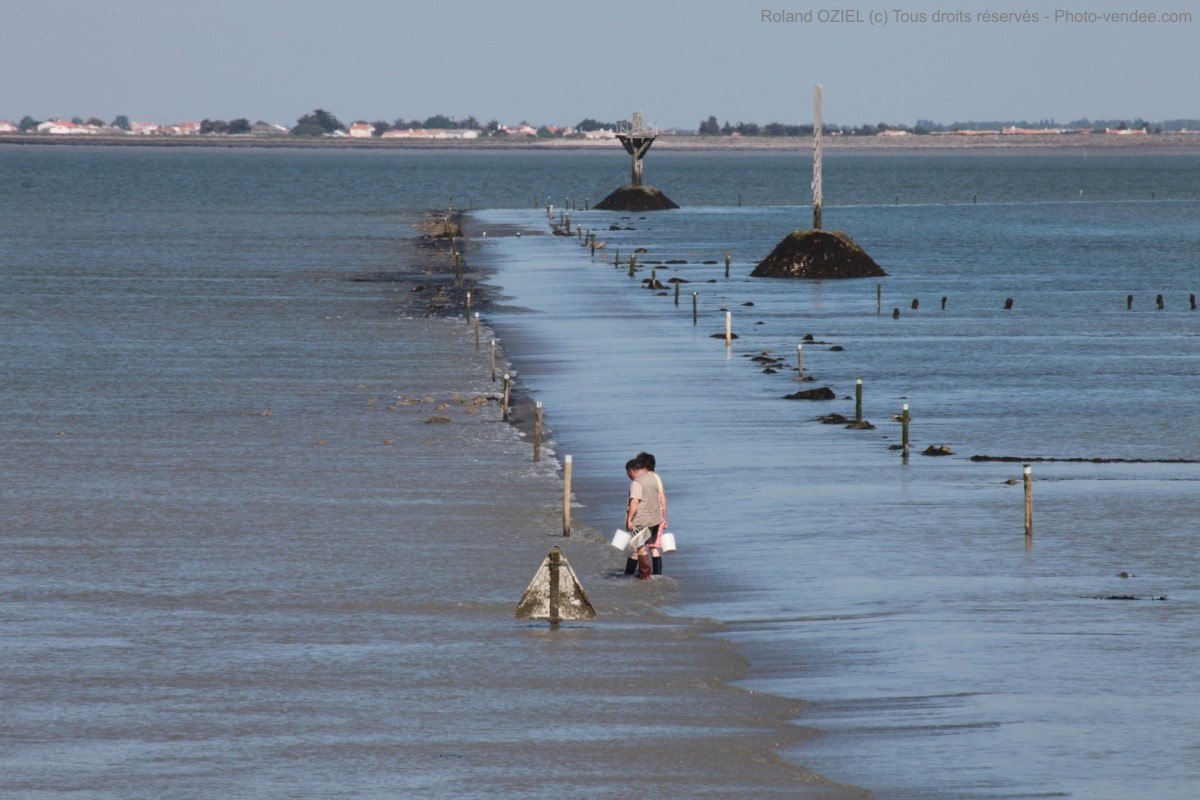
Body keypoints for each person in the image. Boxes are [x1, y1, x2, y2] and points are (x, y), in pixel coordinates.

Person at [622, 457, 661, 580]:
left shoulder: (637, 483)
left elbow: (634, 502)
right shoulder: (653, 477)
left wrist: (629, 519)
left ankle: (645, 575)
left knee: (640, 547)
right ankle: (654, 575)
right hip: (655, 519)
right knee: (651, 546)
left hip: (642, 520)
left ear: (631, 471)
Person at [637, 451, 668, 575]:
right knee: (654, 547)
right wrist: (663, 518)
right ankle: (657, 574)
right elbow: (663, 500)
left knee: (638, 547)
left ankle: (637, 573)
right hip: (658, 516)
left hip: (649, 516)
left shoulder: (644, 479)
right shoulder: (657, 477)